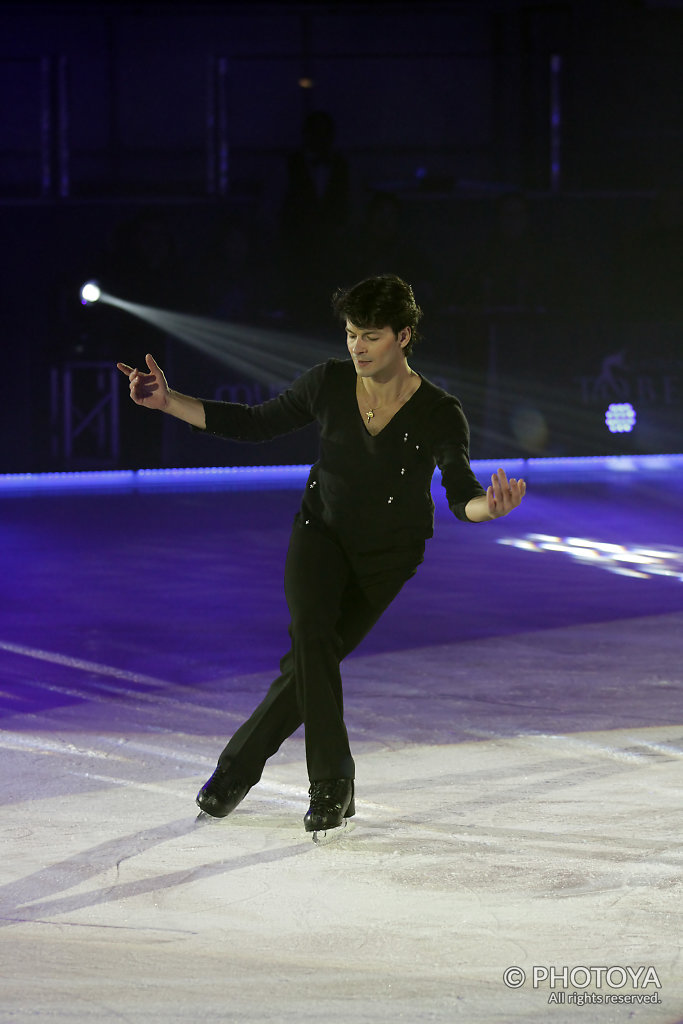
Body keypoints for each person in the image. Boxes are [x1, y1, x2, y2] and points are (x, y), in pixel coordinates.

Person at [116, 275, 526, 840]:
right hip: (321, 532)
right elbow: (255, 423)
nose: (357, 347)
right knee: (312, 634)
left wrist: (488, 508)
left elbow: (461, 490)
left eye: (371, 336)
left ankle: (236, 770)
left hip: (387, 557)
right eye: (352, 334)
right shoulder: (329, 383)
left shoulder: (438, 411)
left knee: (313, 661)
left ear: (404, 336)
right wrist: (167, 401)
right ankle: (331, 784)